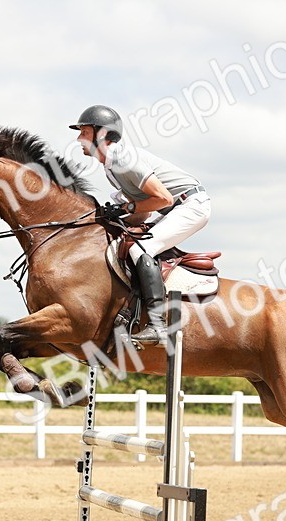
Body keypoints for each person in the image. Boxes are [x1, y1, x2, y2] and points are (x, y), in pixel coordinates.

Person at [70, 105, 211, 346]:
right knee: (123, 241)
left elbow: (163, 199)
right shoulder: (110, 165)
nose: (78, 138)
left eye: (83, 132)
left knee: (140, 249)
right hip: (172, 208)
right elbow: (143, 212)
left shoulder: (123, 158)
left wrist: (128, 208)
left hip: (190, 205)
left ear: (101, 134)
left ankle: (158, 326)